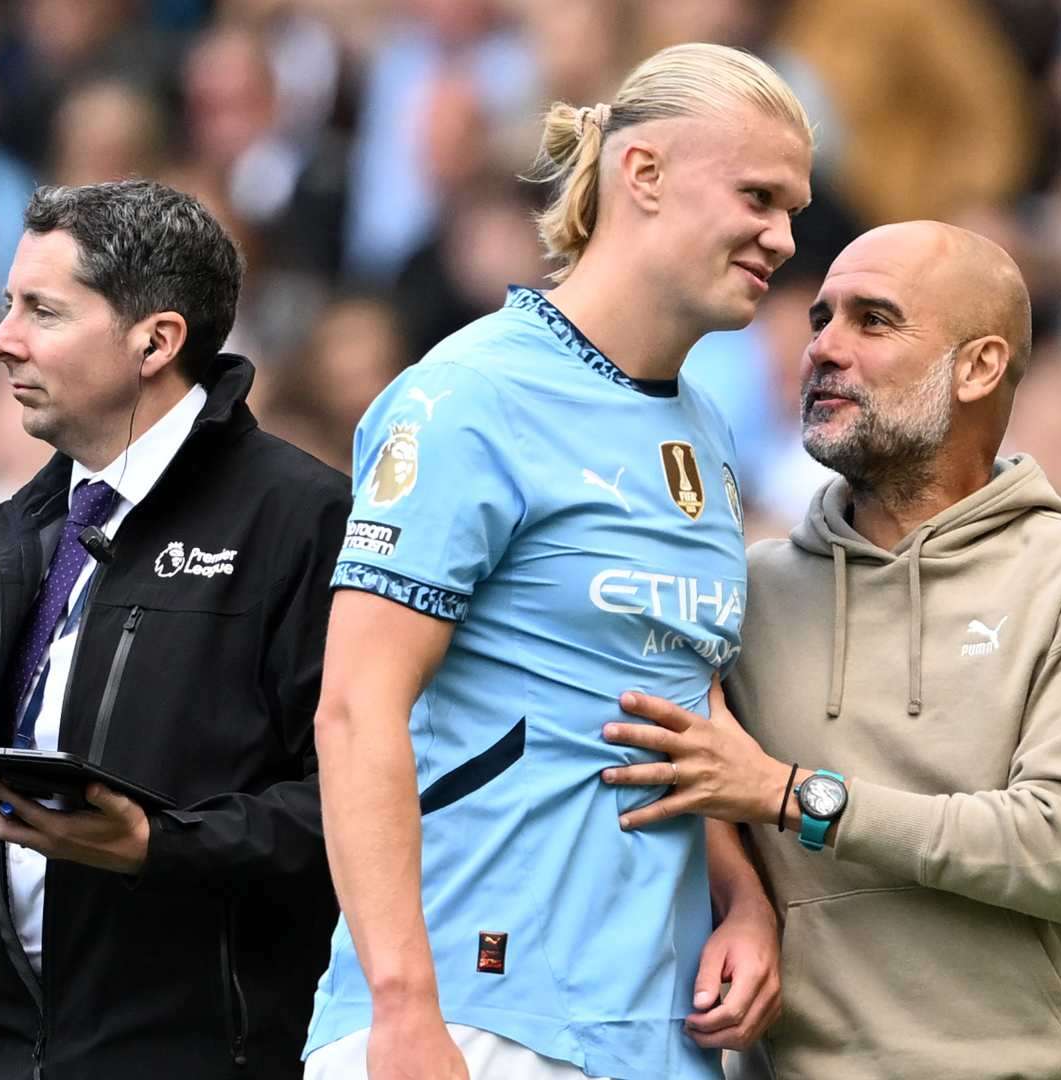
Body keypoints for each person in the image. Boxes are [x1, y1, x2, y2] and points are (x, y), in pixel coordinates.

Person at [304, 43, 812, 1080]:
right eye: (758, 196)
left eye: (794, 209)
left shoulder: (708, 432)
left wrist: (746, 900)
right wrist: (404, 1012)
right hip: (471, 1016)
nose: (784, 237)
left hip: (650, 1026)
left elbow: (668, 698)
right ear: (644, 174)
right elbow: (355, 709)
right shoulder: (468, 396)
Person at [601, 221, 1061, 1078]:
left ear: (980, 367)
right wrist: (740, 902)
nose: (824, 349)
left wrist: (788, 795)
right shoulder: (741, 592)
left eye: (873, 321)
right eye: (820, 320)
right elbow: (684, 793)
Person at [0, 180, 349, 1079]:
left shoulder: (300, 521)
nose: (1, 339)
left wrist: (159, 847)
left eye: (43, 310)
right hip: (3, 1057)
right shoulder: (24, 530)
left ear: (156, 340)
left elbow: (359, 806)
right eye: (5, 304)